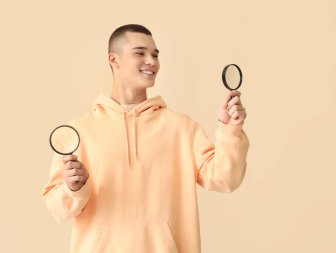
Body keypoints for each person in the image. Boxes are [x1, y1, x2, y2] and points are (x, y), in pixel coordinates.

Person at [42, 24, 250, 253]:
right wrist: (74, 188)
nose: (152, 61)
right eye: (140, 53)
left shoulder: (181, 127)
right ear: (114, 59)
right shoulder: (80, 129)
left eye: (155, 55)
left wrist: (230, 131)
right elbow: (57, 208)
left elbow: (225, 179)